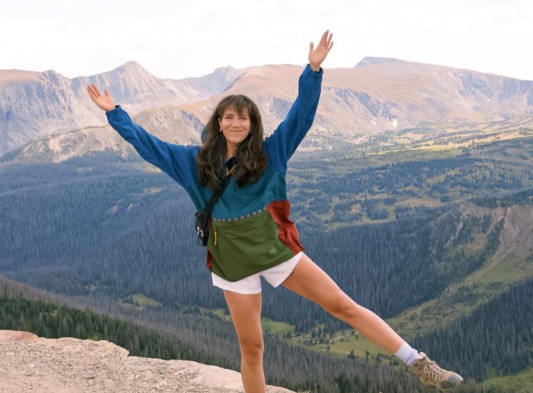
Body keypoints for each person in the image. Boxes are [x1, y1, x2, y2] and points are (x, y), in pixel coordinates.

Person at [87, 31, 463, 393]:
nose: (235, 123)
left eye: (243, 117)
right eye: (228, 117)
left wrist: (313, 71)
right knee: (252, 349)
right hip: (232, 265)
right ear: (219, 123)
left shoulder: (271, 154)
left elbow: (301, 117)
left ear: (252, 125)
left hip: (277, 251)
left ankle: (419, 364)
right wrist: (115, 113)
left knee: (342, 305)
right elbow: (147, 145)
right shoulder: (193, 163)